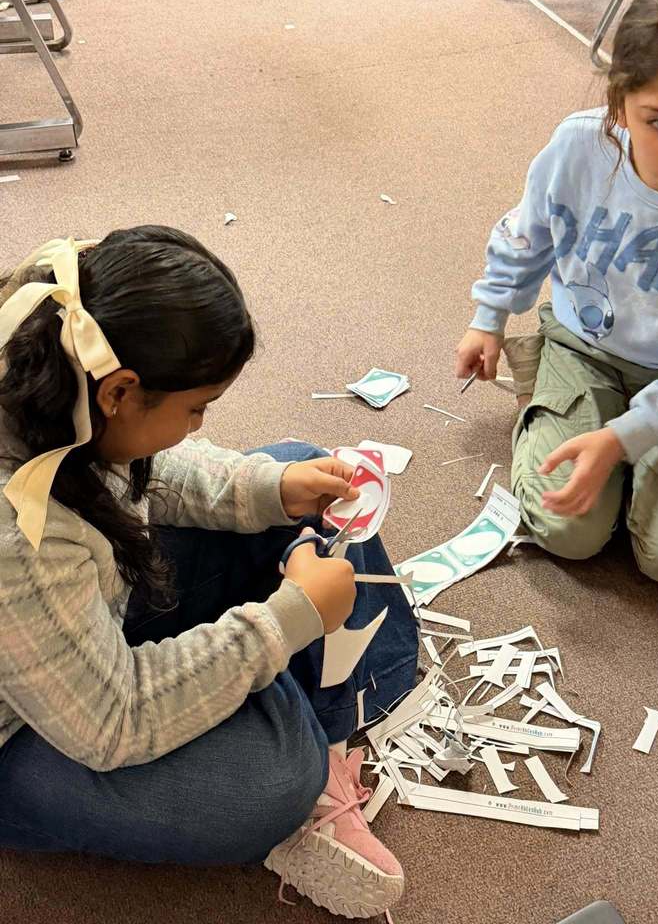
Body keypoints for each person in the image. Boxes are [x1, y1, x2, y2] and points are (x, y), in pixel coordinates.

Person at [0, 227, 418, 920]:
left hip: (67, 618)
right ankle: (308, 744)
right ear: (121, 392)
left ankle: (320, 717)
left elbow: (141, 470)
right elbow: (114, 721)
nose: (198, 426)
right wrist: (283, 623)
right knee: (272, 783)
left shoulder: (49, 361)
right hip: (29, 730)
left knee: (298, 478)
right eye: (195, 409)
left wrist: (273, 486)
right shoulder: (21, 542)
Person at [455, 0, 658, 586]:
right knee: (568, 532)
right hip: (585, 347)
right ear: (620, 107)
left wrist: (625, 437)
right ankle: (545, 379)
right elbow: (528, 231)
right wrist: (489, 315)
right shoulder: (578, 146)